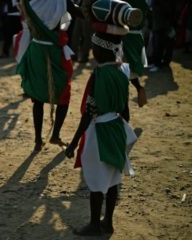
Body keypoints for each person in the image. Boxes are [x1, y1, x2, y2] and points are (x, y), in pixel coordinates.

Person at [65, 0, 140, 236]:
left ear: (100, 51)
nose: (93, 52)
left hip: (101, 131)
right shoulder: (123, 71)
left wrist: (74, 141)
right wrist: (124, 132)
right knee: (114, 178)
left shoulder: (98, 75)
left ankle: (94, 224)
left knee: (97, 182)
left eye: (94, 49)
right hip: (118, 127)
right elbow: (126, 109)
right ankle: (108, 221)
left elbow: (89, 113)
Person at [16, 0, 83, 152]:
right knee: (64, 95)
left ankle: (38, 140)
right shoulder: (61, 1)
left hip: (36, 51)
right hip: (55, 53)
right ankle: (55, 135)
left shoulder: (29, 2)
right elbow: (79, 12)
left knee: (37, 99)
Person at [122, 0, 148, 107]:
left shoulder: (124, 2)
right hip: (137, 37)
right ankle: (138, 88)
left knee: (123, 69)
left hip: (126, 37)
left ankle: (125, 95)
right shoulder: (143, 3)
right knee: (130, 69)